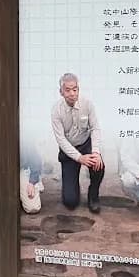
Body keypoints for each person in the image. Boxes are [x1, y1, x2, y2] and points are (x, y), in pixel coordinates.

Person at [50, 73, 104, 213]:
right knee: (70, 202)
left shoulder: (88, 104)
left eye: (75, 89)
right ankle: (73, 186)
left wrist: (96, 152)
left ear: (78, 89)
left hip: (86, 143)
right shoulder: (56, 110)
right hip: (69, 149)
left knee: (99, 165)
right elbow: (61, 139)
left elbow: (95, 128)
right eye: (67, 90)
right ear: (61, 92)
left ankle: (93, 194)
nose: (72, 93)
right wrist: (79, 158)